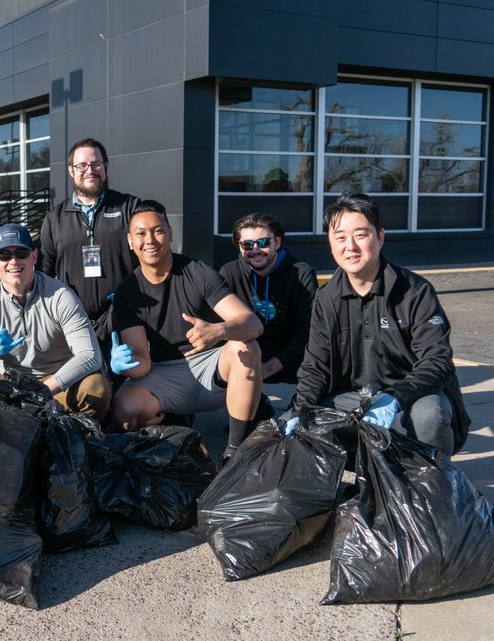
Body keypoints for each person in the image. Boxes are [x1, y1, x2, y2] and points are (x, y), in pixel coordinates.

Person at [291, 192, 470, 456]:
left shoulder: (414, 291)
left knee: (428, 415)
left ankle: (432, 489)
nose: (350, 246)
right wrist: (299, 412)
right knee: (305, 424)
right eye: (340, 237)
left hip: (412, 395)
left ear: (380, 237)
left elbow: (437, 361)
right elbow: (316, 365)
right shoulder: (326, 298)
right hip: (353, 397)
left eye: (361, 235)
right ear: (330, 244)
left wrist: (394, 398)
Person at [109, 200, 264, 460]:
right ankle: (176, 427)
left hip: (211, 368)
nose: (150, 240)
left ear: (169, 234)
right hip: (165, 373)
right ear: (130, 241)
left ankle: (235, 453)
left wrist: (219, 330)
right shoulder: (127, 292)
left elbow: (253, 324)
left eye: (158, 231)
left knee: (246, 346)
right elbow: (141, 365)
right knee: (125, 410)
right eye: (141, 233)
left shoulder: (198, 272)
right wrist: (124, 364)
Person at [0, 223, 111, 422]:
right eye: (4, 255)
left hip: (58, 384)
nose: (13, 261)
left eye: (21, 253)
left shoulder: (60, 295)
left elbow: (90, 355)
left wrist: (43, 390)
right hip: (11, 386)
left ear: (34, 257)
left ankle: (69, 434)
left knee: (96, 389)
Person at [38, 138, 139, 348]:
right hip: (72, 322)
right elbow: (44, 274)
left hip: (125, 317)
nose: (89, 170)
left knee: (126, 379)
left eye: (96, 164)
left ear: (106, 167)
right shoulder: (54, 219)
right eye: (82, 165)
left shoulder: (130, 207)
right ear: (71, 170)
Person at [219, 212, 319, 420]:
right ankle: (256, 407)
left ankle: (298, 412)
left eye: (263, 242)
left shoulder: (301, 274)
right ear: (239, 247)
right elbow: (224, 327)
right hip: (248, 353)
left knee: (320, 356)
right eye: (247, 245)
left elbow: (308, 333)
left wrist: (270, 366)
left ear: (278, 242)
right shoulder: (229, 273)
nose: (255, 250)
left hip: (290, 355)